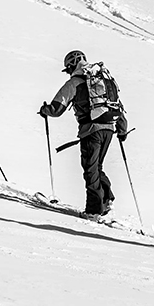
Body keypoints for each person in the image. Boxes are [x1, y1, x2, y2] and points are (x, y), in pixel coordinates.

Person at [39, 50, 127, 216]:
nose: (68, 72)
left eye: (68, 69)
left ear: (72, 65)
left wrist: (45, 110)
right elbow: (117, 105)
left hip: (91, 130)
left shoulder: (75, 82)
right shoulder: (104, 79)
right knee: (96, 166)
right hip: (109, 128)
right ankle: (106, 200)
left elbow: (57, 109)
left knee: (90, 170)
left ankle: (94, 211)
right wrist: (122, 130)